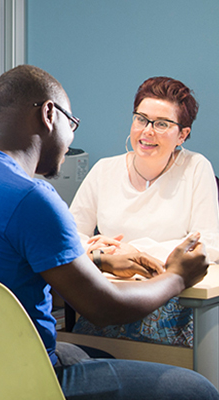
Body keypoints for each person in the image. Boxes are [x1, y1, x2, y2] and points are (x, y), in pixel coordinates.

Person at [0, 65, 219, 399]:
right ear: (50, 115)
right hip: (26, 376)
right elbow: (106, 310)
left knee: (98, 356)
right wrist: (178, 277)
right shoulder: (32, 197)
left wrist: (98, 259)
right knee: (199, 390)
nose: (72, 139)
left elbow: (24, 258)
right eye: (72, 124)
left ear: (182, 134)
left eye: (162, 123)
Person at [70, 76, 219, 347]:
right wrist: (101, 254)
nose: (148, 131)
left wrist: (136, 254)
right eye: (141, 119)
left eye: (162, 124)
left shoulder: (196, 168)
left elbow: (208, 243)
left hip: (173, 300)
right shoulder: (105, 170)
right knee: (83, 351)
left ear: (182, 134)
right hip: (109, 295)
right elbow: (69, 237)